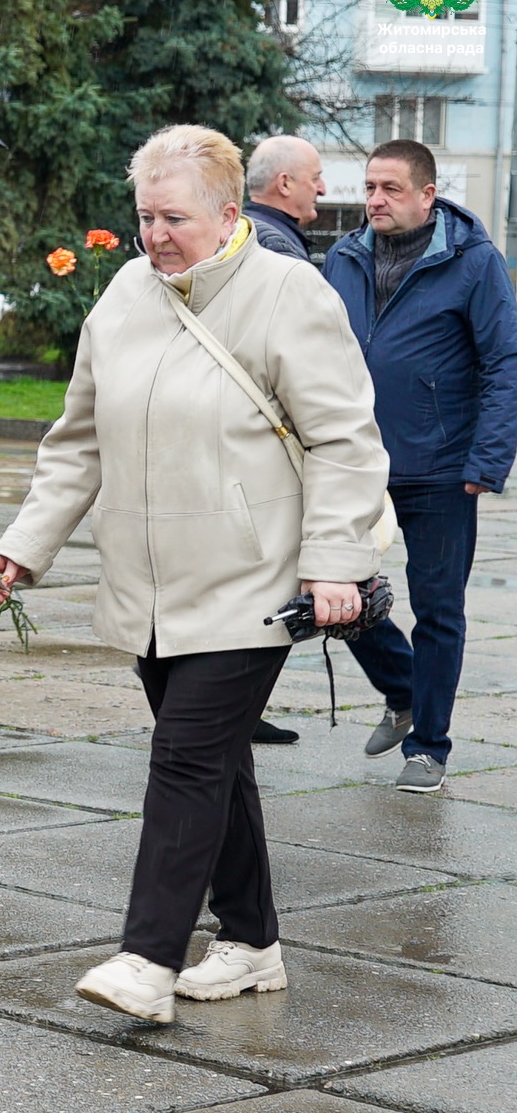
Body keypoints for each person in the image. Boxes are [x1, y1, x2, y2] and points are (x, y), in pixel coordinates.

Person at [0, 125, 388, 1023]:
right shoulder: (126, 294)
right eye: (145, 216)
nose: (156, 235)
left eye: (175, 216)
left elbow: (345, 440)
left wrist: (335, 562)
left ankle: (148, 956)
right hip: (151, 582)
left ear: (229, 212)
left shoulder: (289, 294)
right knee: (215, 762)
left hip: (255, 579)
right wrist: (27, 540)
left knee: (183, 758)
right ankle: (252, 940)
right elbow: (79, 438)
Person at [322, 139, 517, 793]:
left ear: (428, 195)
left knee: (438, 609)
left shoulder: (473, 261)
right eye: (370, 187)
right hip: (353, 461)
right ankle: (403, 688)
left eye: (391, 188)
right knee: (337, 595)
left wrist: (488, 458)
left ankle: (429, 745)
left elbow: (504, 363)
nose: (375, 199)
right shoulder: (343, 257)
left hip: (441, 465)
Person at [239, 133, 331, 748]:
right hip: (272, 445)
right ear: (285, 185)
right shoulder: (274, 247)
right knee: (329, 585)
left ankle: (239, 707)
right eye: (315, 176)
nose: (323, 188)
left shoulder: (261, 235)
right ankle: (404, 688)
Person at [242, 135, 326, 264]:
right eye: (315, 179)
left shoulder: (238, 233)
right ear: (284, 184)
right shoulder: (277, 248)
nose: (322, 190)